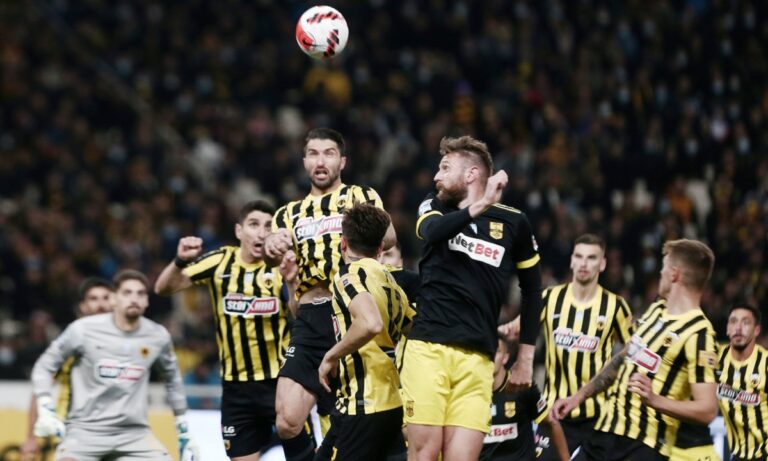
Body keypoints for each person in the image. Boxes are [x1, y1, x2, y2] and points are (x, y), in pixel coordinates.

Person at [399, 135, 543, 461]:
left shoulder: (514, 222)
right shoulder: (433, 206)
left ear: (471, 174)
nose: (436, 176)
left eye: (445, 167)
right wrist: (482, 204)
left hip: (479, 359)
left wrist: (525, 359)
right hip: (428, 349)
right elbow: (432, 233)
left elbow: (533, 290)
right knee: (424, 454)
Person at [264, 128, 395, 461]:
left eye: (329, 153)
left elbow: (390, 236)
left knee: (355, 420)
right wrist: (274, 244)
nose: (320, 161)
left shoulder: (360, 195)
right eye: (313, 153)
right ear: (304, 161)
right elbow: (272, 255)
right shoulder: (286, 214)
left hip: (353, 310)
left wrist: (356, 228)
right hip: (310, 316)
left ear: (343, 161)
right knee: (287, 420)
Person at [155, 199, 296, 461]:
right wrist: (179, 261)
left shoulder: (282, 267)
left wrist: (293, 281)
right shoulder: (220, 261)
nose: (262, 232)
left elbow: (300, 315)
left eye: (268, 226)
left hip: (281, 383)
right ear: (239, 231)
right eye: (254, 224)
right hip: (236, 388)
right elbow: (163, 288)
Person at [553, 239, 719, 460]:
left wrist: (655, 400)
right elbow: (625, 357)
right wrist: (578, 397)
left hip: (644, 446)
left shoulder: (699, 333)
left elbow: (707, 409)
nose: (660, 273)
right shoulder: (657, 310)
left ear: (674, 274)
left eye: (664, 267)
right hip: (606, 432)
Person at [31, 269, 198, 461]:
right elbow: (44, 366)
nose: (134, 299)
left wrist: (183, 427)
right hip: (85, 431)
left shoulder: (157, 336)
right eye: (127, 293)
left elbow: (173, 379)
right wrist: (45, 406)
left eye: (140, 293)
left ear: (147, 301)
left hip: (135, 434)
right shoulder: (82, 330)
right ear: (114, 299)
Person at [505, 234, 633, 459]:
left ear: (602, 264)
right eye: (579, 256)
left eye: (591, 258)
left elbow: (633, 351)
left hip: (598, 419)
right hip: (553, 416)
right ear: (572, 260)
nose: (584, 263)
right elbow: (515, 329)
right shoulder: (549, 298)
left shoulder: (616, 307)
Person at [316, 203, 414, 460]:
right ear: (381, 248)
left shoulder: (348, 275)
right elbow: (416, 327)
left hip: (362, 404)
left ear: (343, 243)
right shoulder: (392, 283)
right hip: (392, 404)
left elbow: (370, 323)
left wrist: (330, 356)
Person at [21, 277, 115, 461]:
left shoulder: (128, 345)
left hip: (117, 435)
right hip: (75, 436)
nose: (101, 304)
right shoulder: (70, 344)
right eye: (93, 299)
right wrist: (31, 437)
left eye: (106, 298)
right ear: (83, 306)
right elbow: (40, 387)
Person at [480, 339, 569, 461]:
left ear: (505, 357)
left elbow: (551, 423)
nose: (491, 357)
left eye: (497, 352)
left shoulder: (521, 387)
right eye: (486, 351)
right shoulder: (468, 391)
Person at [716, 304, 768, 461]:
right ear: (727, 328)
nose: (738, 328)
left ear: (756, 330)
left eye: (746, 322)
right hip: (738, 454)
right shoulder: (716, 359)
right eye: (733, 321)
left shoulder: (765, 363)